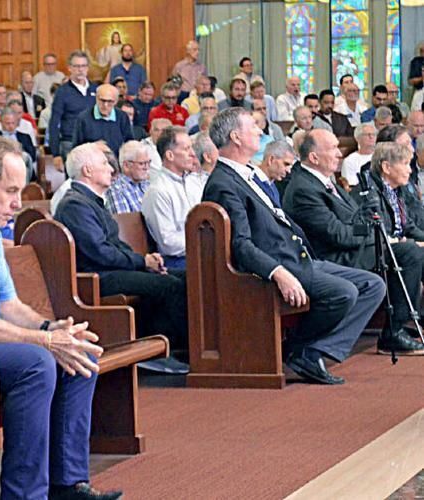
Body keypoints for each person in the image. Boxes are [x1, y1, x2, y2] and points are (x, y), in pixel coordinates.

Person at [0, 136, 118, 500]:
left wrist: (52, 328)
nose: (18, 202)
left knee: (81, 354)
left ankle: (67, 485)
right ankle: (25, 495)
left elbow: (8, 305)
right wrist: (44, 341)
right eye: (11, 191)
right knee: (38, 362)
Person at [202, 108, 386, 384]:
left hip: (298, 257)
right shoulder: (224, 183)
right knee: (343, 292)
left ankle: (310, 350)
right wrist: (278, 272)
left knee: (373, 285)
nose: (259, 131)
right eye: (253, 127)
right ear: (235, 137)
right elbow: (241, 245)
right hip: (280, 264)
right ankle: (303, 350)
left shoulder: (246, 174)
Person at [283, 132, 424, 355]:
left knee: (408, 250)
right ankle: (393, 332)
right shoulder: (304, 189)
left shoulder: (328, 183)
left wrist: (370, 230)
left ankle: (406, 323)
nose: (340, 154)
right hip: (329, 257)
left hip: (351, 248)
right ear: (314, 157)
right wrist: (375, 234)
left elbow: (356, 221)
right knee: (407, 252)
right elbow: (337, 235)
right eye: (333, 148)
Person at [55, 142, 189, 374]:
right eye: (104, 163)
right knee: (170, 285)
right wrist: (141, 262)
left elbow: (115, 245)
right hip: (96, 276)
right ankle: (158, 351)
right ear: (87, 171)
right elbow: (100, 252)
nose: (111, 168)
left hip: (111, 270)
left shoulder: (92, 201)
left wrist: (145, 261)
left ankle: (181, 346)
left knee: (185, 276)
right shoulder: (75, 204)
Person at [141, 126, 201, 270]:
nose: (193, 154)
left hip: (200, 252)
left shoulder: (195, 182)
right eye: (186, 149)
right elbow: (168, 244)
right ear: (170, 155)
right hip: (176, 261)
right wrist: (203, 242)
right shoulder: (158, 191)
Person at [49, 50, 99, 171]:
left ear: (88, 68)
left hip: (93, 144)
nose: (80, 69)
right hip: (70, 143)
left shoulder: (96, 89)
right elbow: (54, 123)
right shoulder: (62, 92)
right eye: (76, 66)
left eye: (83, 66)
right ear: (70, 68)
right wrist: (55, 153)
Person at [72, 84, 133, 158]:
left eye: (110, 101)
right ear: (96, 98)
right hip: (93, 163)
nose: (105, 105)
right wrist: (93, 147)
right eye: (102, 100)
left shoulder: (122, 117)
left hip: (117, 162)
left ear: (116, 101)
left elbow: (129, 143)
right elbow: (76, 149)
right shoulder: (83, 118)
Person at [104, 140, 150, 214]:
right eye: (142, 164)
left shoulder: (148, 184)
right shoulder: (116, 190)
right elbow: (124, 224)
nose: (147, 167)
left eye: (148, 162)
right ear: (126, 166)